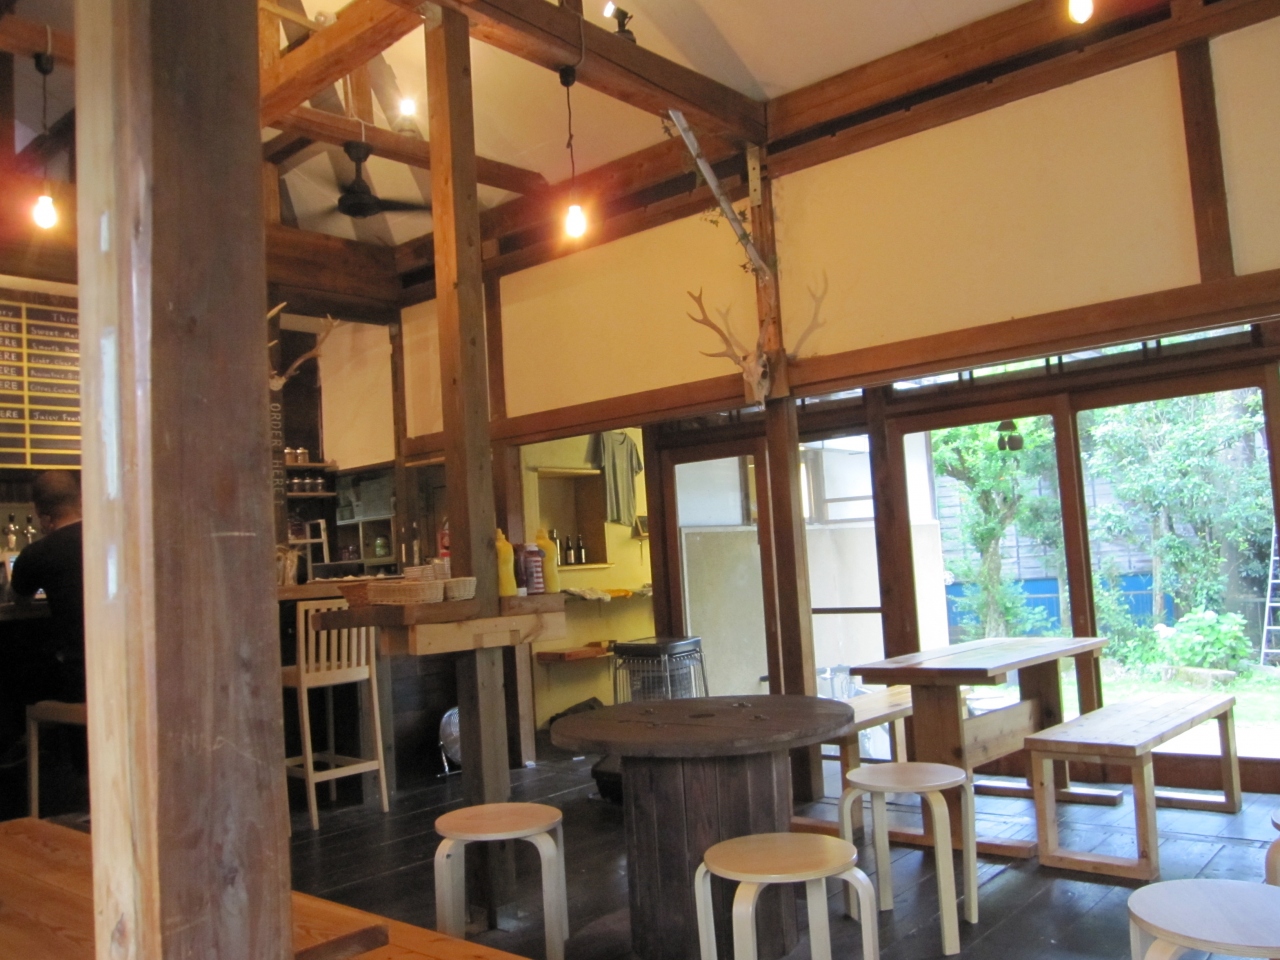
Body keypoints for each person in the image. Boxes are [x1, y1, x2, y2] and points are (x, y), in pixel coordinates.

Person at [11, 471, 84, 704]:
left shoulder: (37, 553)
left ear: (39, 512)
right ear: (80, 500)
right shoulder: (112, 540)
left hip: (78, 678)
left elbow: (19, 600)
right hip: (126, 669)